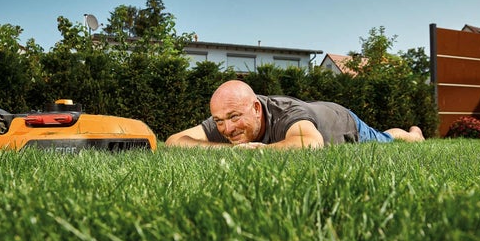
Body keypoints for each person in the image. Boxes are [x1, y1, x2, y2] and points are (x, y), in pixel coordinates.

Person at [166, 80, 424, 149]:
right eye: (219, 121)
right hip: (316, 110)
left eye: (234, 118)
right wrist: (228, 150)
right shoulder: (226, 116)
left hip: (343, 121)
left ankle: (413, 134)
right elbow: (174, 141)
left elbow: (310, 143)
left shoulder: (286, 113)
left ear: (256, 109)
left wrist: (257, 150)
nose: (227, 128)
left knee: (387, 139)